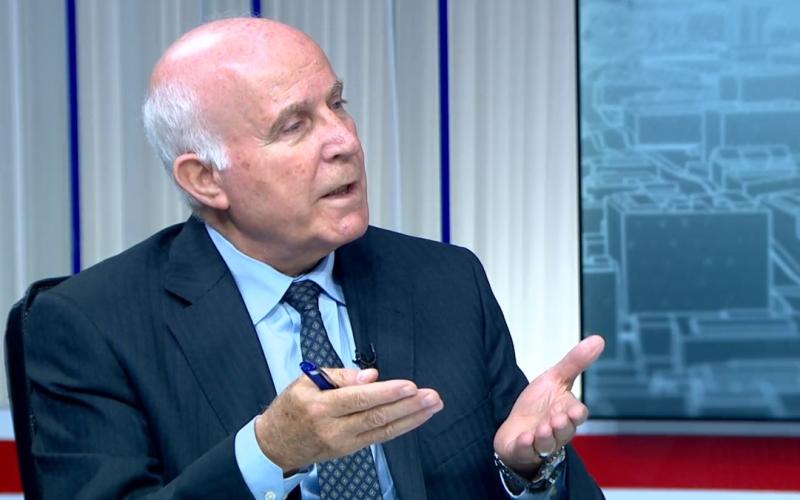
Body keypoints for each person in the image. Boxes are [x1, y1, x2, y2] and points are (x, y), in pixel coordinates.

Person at [24, 17, 606, 499]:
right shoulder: (91, 325)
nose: (345, 140)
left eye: (337, 104)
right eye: (294, 126)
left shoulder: (445, 282)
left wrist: (525, 472)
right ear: (205, 179)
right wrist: (267, 453)